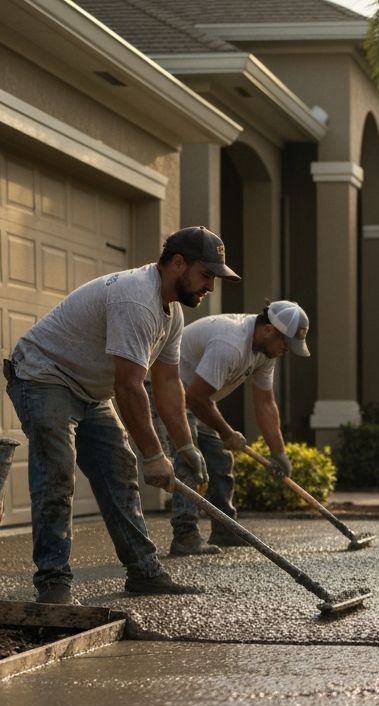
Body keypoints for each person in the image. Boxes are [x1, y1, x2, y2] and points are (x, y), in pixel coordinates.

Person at [4, 226, 239, 605]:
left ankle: (144, 571)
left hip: (89, 389)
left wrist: (184, 447)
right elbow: (130, 387)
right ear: (178, 264)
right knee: (57, 474)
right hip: (43, 374)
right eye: (206, 275)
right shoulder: (137, 300)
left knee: (121, 472)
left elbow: (166, 384)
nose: (210, 286)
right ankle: (53, 582)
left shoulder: (172, 313)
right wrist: (153, 455)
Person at [154, 301, 311, 555]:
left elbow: (265, 403)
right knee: (189, 458)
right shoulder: (231, 342)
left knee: (220, 458)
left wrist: (278, 453)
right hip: (167, 390)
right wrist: (227, 433)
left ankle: (225, 529)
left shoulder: (264, 352)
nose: (286, 351)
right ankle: (185, 536)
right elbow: (197, 398)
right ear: (270, 330)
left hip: (195, 397)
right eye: (286, 344)